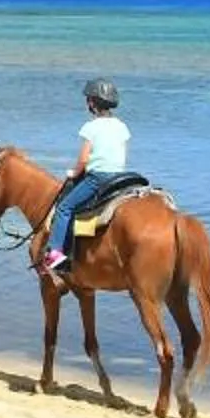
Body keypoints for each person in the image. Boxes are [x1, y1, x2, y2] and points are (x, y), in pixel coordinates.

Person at [41, 79, 132, 282]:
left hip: (98, 178)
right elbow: (123, 155)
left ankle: (55, 257)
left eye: (88, 100)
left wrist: (74, 173)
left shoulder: (91, 127)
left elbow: (83, 158)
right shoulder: (122, 126)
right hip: (121, 177)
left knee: (64, 208)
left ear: (92, 102)